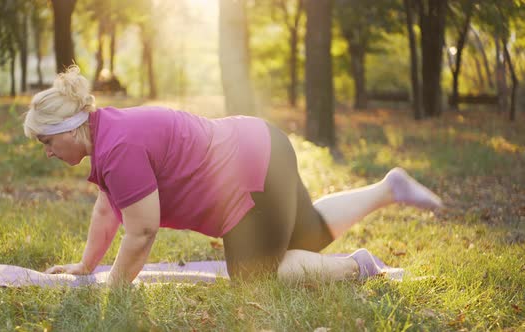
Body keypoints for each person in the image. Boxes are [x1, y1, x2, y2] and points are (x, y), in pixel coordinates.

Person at [24, 66, 443, 286]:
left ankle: (357, 266)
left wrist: (113, 287)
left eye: (46, 141)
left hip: (249, 169)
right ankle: (389, 188)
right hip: (263, 143)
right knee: (306, 236)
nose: (45, 152)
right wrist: (85, 265)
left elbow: (142, 231)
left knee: (252, 272)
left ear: (69, 130)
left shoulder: (117, 147)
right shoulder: (108, 134)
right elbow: (106, 209)